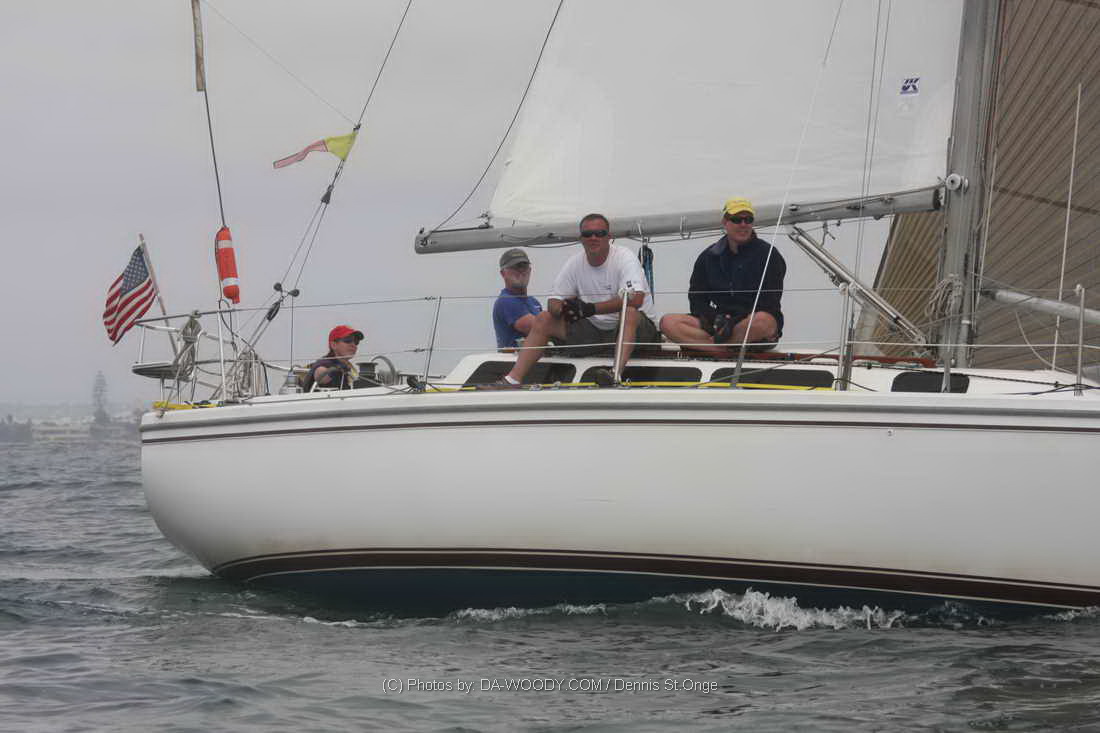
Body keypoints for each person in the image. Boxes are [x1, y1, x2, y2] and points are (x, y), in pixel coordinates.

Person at [492, 213, 660, 387]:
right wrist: (566, 308)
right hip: (595, 332)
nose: (593, 238)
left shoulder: (624, 257)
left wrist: (590, 309)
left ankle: (614, 375)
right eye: (587, 234)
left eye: (599, 233)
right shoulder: (574, 263)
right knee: (544, 318)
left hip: (638, 333)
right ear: (581, 239)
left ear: (609, 237)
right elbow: (553, 302)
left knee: (629, 312)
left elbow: (636, 300)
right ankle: (511, 380)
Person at [660, 197, 785, 354]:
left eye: (748, 220)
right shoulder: (708, 257)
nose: (743, 224)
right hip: (719, 323)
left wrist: (733, 322)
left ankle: (712, 347)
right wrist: (717, 319)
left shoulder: (769, 254)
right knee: (668, 322)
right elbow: (697, 300)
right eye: (737, 219)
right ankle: (723, 347)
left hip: (750, 323)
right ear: (725, 222)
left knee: (763, 321)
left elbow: (770, 302)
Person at [492, 248, 542, 351]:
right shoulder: (506, 301)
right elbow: (539, 329)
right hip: (512, 359)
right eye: (515, 267)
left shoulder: (534, 302)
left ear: (530, 270)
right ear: (503, 273)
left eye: (524, 266)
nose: (521, 270)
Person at [304, 325, 364, 391]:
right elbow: (320, 374)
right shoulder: (326, 362)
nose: (353, 345)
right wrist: (333, 370)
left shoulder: (350, 367)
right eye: (348, 340)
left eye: (356, 342)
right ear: (333, 345)